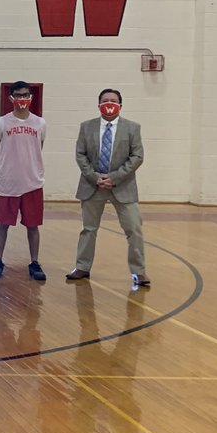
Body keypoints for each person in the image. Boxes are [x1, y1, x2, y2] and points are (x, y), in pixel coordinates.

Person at [68, 88, 149, 287]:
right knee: (88, 229)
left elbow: (137, 157)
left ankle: (139, 271)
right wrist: (95, 177)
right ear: (99, 104)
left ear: (120, 105)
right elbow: (80, 155)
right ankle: (82, 267)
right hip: (92, 185)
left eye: (113, 100)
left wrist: (114, 177)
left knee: (134, 229)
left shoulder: (132, 128)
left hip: (123, 186)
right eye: (105, 100)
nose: (109, 103)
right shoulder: (86, 127)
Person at [0, 81, 46, 280]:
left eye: (25, 95)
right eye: (18, 95)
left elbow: (39, 146)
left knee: (33, 225)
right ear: (11, 98)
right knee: (2, 224)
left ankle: (35, 262)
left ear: (31, 97)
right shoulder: (2, 122)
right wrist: (4, 169)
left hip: (32, 182)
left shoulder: (40, 123)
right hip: (8, 183)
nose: (22, 99)